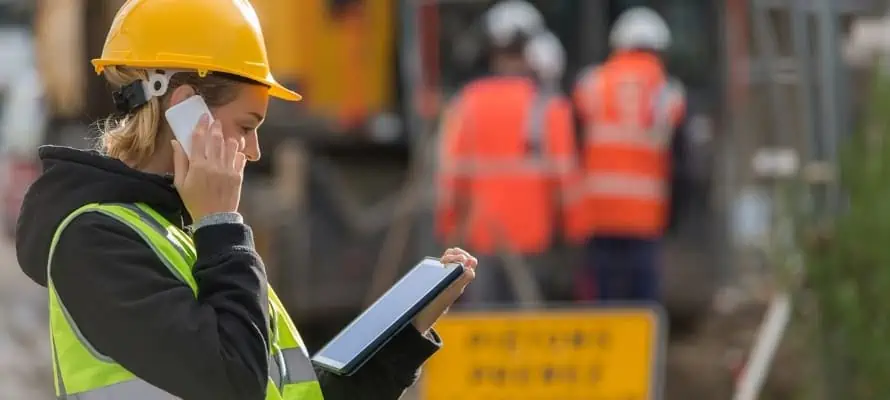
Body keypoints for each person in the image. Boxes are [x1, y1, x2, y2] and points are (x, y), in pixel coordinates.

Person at [14, 1, 478, 399]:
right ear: (184, 110)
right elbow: (237, 383)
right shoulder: (95, 242)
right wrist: (220, 222)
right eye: (246, 125)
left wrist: (406, 338)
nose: (254, 150)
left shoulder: (187, 235)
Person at [436, 0, 583, 306]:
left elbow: (453, 181)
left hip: (482, 240)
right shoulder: (550, 107)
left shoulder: (468, 104)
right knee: (528, 332)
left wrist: (450, 231)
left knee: (486, 330)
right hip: (533, 242)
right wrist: (575, 238)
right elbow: (566, 183)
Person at [571, 6, 688, 303]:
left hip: (598, 213)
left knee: (605, 300)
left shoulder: (591, 84)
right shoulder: (668, 93)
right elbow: (681, 160)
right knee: (642, 303)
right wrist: (676, 215)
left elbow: (573, 144)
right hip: (645, 217)